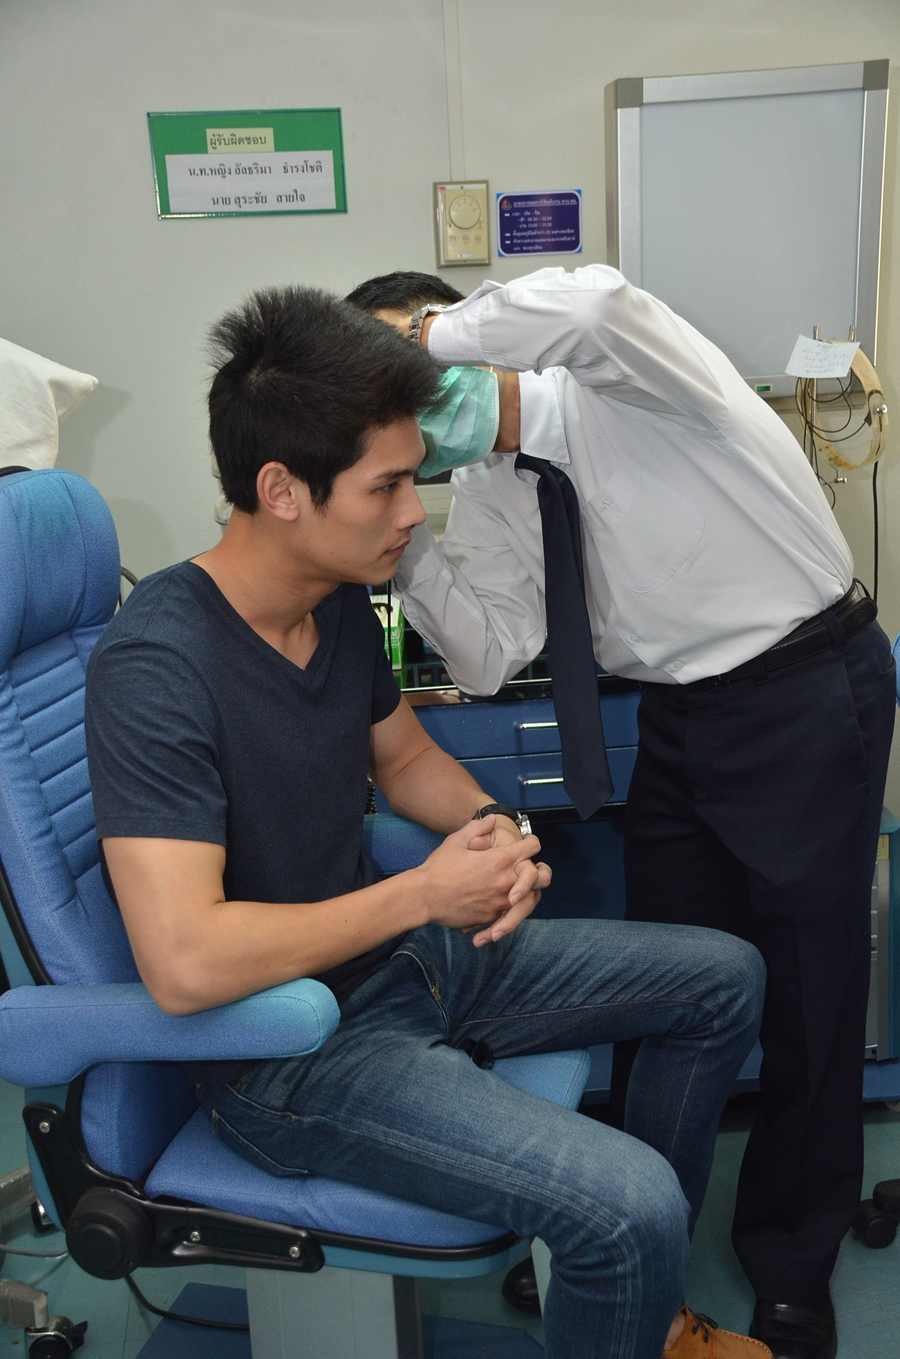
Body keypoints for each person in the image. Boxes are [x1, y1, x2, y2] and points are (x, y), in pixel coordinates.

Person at [84, 285, 769, 1359]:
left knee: (722, 978)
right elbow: (183, 962)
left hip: (407, 965)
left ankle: (638, 1308)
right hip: (292, 1046)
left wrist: (497, 828)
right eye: (388, 486)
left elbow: (403, 760)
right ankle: (630, 1267)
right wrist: (422, 894)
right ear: (281, 490)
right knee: (628, 1202)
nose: (415, 512)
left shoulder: (337, 602)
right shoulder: (156, 666)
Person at [347, 265, 897, 1359]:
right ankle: (634, 1235)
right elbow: (492, 648)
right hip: (681, 716)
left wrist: (425, 339)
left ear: (457, 336)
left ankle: (792, 1255)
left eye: (402, 373)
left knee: (810, 990)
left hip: (801, 687)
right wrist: (401, 539)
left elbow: (596, 304)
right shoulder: (494, 480)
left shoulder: (626, 380)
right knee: (675, 983)